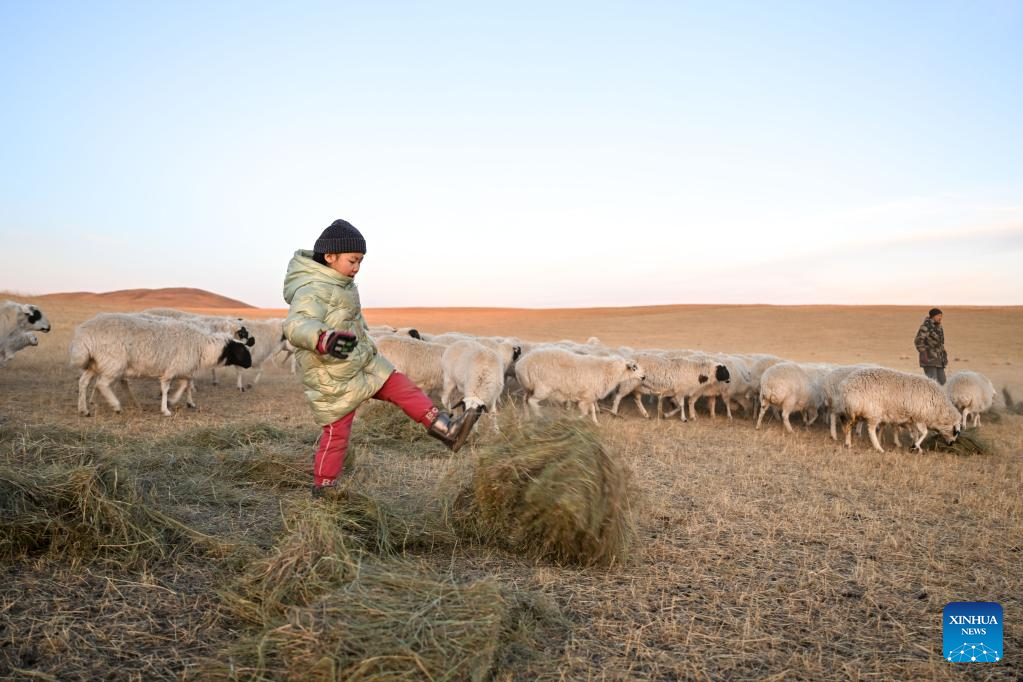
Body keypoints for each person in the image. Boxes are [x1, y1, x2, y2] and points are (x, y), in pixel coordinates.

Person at [283, 219, 482, 496]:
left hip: (362, 361)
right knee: (337, 433)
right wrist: (323, 339)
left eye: (361, 261)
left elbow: (353, 321)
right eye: (352, 260)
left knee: (402, 386)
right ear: (330, 257)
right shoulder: (311, 288)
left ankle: (447, 430)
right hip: (331, 373)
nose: (357, 267)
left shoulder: (344, 284)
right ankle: (324, 487)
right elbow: (296, 325)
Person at [914, 307, 948, 385]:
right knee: (932, 383)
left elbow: (941, 343)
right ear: (933, 316)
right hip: (929, 359)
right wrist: (923, 353)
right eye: (938, 315)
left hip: (939, 360)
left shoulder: (939, 327)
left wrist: (944, 354)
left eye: (941, 316)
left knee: (942, 382)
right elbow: (918, 341)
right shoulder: (925, 327)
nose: (940, 317)